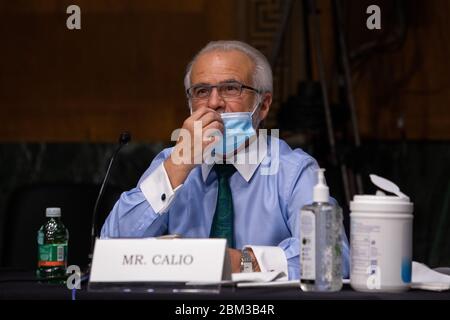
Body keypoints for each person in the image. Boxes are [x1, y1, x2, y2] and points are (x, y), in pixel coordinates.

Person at [101, 40, 350, 279]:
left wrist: (244, 262)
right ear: (190, 105)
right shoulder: (172, 163)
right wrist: (177, 166)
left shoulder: (293, 172)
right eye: (201, 91)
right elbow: (111, 249)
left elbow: (332, 258)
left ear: (263, 105)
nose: (214, 103)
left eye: (231, 88)